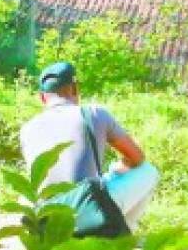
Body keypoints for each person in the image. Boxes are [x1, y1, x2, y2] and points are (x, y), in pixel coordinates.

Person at [20, 61, 159, 232]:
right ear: (75, 88)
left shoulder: (27, 128)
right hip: (86, 210)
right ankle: (121, 233)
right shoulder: (93, 113)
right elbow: (137, 158)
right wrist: (119, 168)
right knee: (148, 170)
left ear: (42, 97)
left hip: (46, 215)